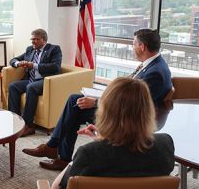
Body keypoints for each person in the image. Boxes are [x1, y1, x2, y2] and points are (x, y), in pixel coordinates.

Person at [22, 76, 175, 189]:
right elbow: (129, 156)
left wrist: (94, 149)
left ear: (106, 110)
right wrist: (102, 142)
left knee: (70, 168)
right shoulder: (165, 145)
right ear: (148, 110)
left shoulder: (89, 155)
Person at [22, 28, 172, 171]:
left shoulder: (155, 73)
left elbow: (133, 105)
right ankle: (57, 151)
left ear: (143, 46)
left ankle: (57, 151)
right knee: (75, 102)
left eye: (133, 44)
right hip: (122, 108)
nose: (132, 48)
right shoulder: (153, 65)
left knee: (75, 107)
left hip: (129, 118)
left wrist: (96, 102)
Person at [7, 28, 63, 136]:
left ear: (43, 40)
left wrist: (34, 65)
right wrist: (18, 63)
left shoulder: (54, 49)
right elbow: (13, 60)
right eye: (32, 39)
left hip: (46, 80)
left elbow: (55, 67)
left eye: (36, 39)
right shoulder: (30, 49)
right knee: (13, 86)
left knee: (31, 87)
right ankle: (15, 121)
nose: (33, 42)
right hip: (31, 79)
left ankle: (28, 125)